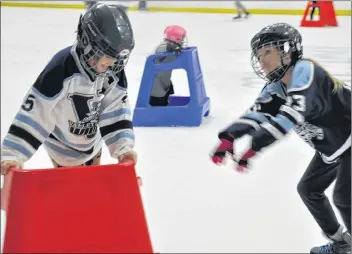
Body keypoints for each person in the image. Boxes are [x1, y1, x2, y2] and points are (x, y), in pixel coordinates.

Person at [210, 22, 351, 253]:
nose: (262, 60)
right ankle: (342, 242)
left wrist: (255, 145)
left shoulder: (306, 71)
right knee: (309, 189)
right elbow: (257, 113)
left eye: (268, 52)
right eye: (259, 55)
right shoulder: (275, 88)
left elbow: (292, 114)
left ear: (288, 51)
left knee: (345, 198)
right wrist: (229, 138)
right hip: (335, 147)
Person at [1, 3, 137, 175]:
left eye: (115, 58)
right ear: (87, 42)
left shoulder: (112, 70)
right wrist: (13, 154)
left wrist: (123, 148)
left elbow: (116, 108)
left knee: (91, 193)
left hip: (92, 145)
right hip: (61, 148)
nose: (110, 64)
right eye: (105, 55)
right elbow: (36, 112)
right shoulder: (61, 68)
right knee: (72, 196)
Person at [149, 25, 187, 106]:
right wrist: (171, 46)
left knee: (165, 101)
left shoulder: (174, 49)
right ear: (174, 38)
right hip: (156, 86)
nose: (183, 41)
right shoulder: (164, 47)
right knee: (158, 105)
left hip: (165, 82)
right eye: (181, 38)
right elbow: (160, 49)